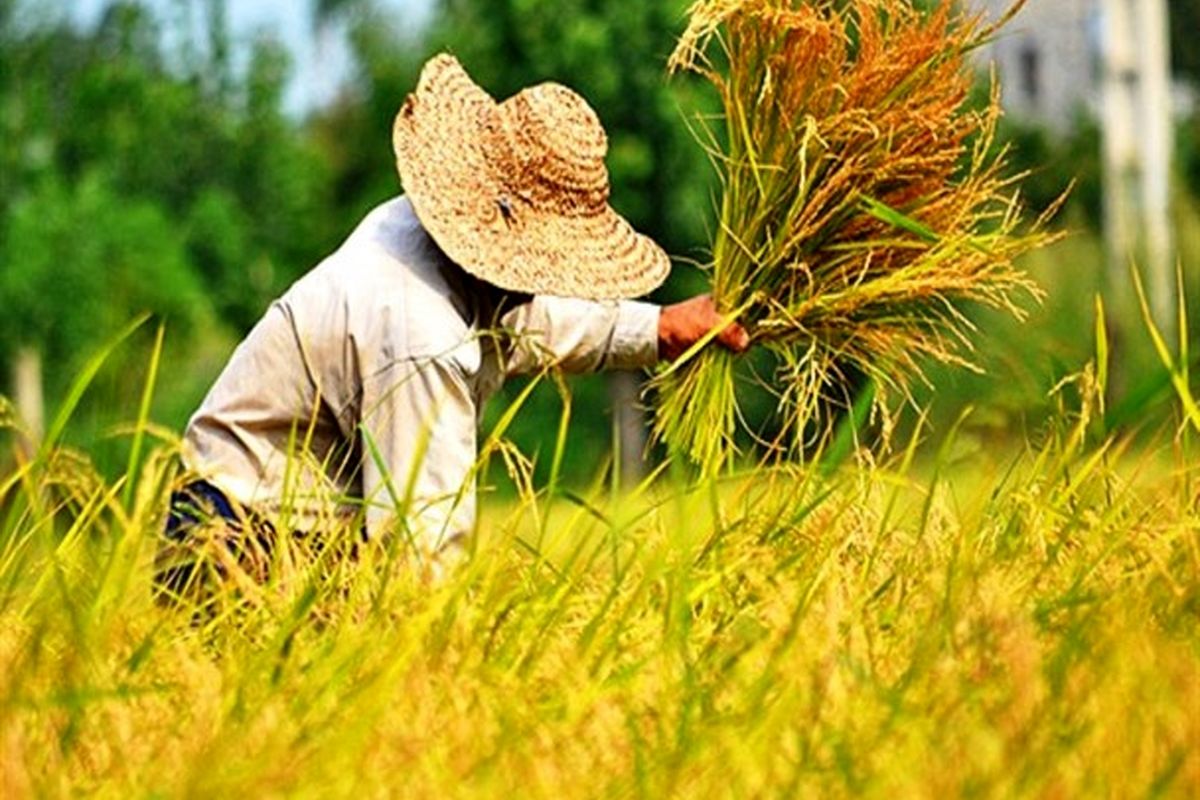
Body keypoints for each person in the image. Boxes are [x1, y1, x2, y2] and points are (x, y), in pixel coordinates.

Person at [155, 54, 748, 592]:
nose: (547, 280)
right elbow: (421, 558)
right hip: (234, 545)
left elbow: (532, 324)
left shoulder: (420, 233)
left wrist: (660, 327)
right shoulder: (421, 337)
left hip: (287, 533)